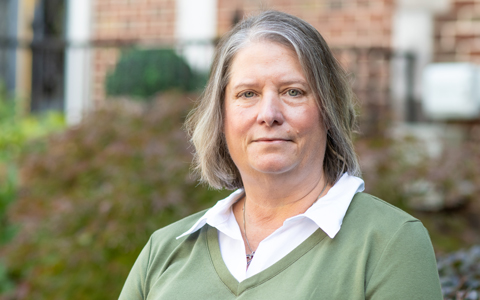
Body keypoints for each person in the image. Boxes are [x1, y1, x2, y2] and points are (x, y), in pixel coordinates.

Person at [119, 10, 443, 299]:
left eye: (293, 92)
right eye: (248, 94)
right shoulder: (164, 249)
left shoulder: (391, 242)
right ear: (221, 117)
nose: (269, 114)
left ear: (327, 113)